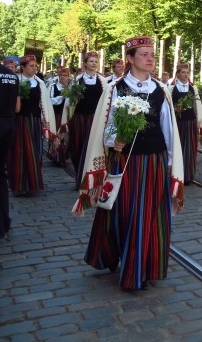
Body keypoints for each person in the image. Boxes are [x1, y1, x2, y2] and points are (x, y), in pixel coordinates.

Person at [74, 35, 185, 292]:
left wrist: (170, 163)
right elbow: (105, 126)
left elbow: (168, 129)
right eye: (144, 55)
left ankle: (140, 270)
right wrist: (115, 141)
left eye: (152, 55)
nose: (150, 59)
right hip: (125, 163)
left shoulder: (161, 90)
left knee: (148, 215)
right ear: (130, 59)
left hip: (154, 162)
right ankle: (113, 255)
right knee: (121, 212)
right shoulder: (115, 88)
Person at [9, 55, 57, 195]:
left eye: (35, 66)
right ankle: (19, 185)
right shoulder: (16, 80)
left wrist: (45, 121)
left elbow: (44, 103)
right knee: (20, 152)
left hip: (35, 121)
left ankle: (32, 184)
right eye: (31, 66)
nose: (34, 68)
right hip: (20, 121)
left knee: (35, 151)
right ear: (23, 67)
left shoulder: (40, 82)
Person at [68, 51, 106, 190]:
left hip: (95, 118)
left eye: (96, 61)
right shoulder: (77, 80)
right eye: (91, 61)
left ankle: (93, 180)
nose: (94, 63)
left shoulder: (103, 81)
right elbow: (69, 101)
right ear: (85, 63)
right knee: (78, 148)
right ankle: (80, 178)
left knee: (93, 148)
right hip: (79, 118)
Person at [0, 41, 19, 242]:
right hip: (8, 124)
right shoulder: (11, 75)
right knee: (0, 174)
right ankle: (4, 221)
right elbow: (16, 105)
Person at [170, 63, 202, 185]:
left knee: (190, 149)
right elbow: (168, 106)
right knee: (178, 148)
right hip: (178, 122)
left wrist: (200, 123)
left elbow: (197, 106)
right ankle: (177, 174)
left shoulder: (193, 88)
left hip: (190, 121)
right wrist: (175, 109)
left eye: (187, 72)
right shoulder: (171, 89)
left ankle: (188, 175)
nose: (186, 75)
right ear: (177, 74)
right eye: (183, 72)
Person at [47, 67, 71, 167]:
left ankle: (63, 157)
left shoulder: (71, 88)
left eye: (65, 75)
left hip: (67, 116)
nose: (63, 77)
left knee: (65, 136)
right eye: (61, 75)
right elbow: (50, 100)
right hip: (57, 115)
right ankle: (56, 157)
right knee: (56, 135)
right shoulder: (53, 87)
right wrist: (62, 96)